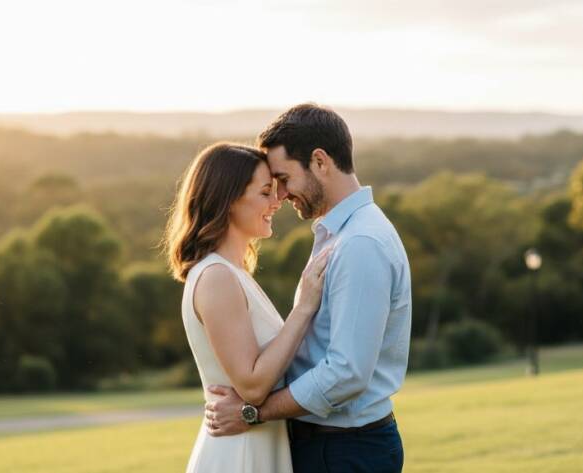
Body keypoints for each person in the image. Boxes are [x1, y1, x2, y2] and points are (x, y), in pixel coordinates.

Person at [205, 103, 412, 473]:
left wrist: (254, 412)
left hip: (343, 450)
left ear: (320, 162)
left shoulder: (360, 243)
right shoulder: (340, 234)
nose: (280, 195)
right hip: (331, 446)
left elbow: (346, 373)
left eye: (283, 179)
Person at [164, 142, 331, 472]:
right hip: (238, 454)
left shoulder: (234, 274)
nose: (277, 200)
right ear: (228, 201)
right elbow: (252, 386)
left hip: (257, 445)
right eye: (265, 192)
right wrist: (304, 306)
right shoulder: (216, 278)